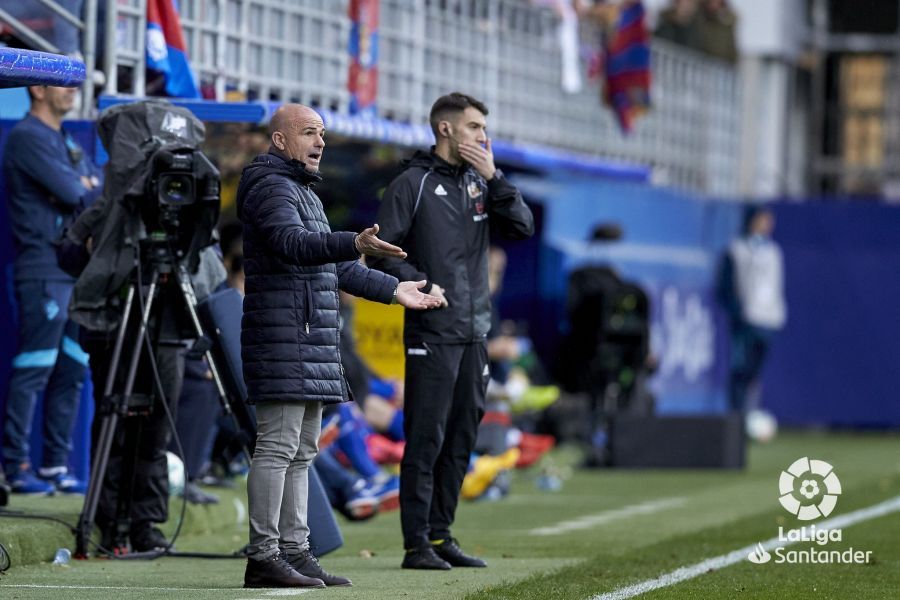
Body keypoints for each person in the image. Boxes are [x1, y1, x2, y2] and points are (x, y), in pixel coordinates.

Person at [237, 103, 441, 589]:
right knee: (279, 446)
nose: (321, 142)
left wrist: (394, 291)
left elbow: (330, 264)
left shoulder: (303, 191)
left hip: (306, 338)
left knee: (303, 450)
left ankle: (295, 550)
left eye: (323, 133)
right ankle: (264, 554)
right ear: (281, 141)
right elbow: (294, 244)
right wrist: (351, 243)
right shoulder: (269, 187)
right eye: (309, 133)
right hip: (283, 337)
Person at [370, 92, 534, 570]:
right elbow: (381, 250)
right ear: (445, 129)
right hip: (431, 329)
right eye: (474, 127)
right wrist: (416, 284)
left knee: (462, 437)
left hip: (474, 331)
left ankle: (441, 536)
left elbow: (521, 227)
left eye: (484, 128)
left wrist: (495, 177)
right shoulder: (411, 183)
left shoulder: (482, 184)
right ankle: (415, 544)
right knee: (426, 437)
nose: (483, 136)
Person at [2, 84, 102, 495]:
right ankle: (14, 466)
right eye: (62, 83)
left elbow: (93, 189)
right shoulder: (27, 135)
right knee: (35, 367)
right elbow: (81, 193)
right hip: (43, 267)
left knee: (72, 370)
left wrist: (85, 185)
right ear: (37, 89)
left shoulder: (60, 135)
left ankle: (54, 467)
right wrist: (83, 185)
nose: (72, 91)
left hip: (75, 272)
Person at [719, 207, 787, 412]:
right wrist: (737, 311)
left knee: (754, 374)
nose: (766, 225)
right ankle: (736, 418)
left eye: (769, 220)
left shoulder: (774, 251)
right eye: (762, 220)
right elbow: (725, 286)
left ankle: (749, 415)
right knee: (740, 370)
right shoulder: (737, 249)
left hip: (768, 320)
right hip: (746, 320)